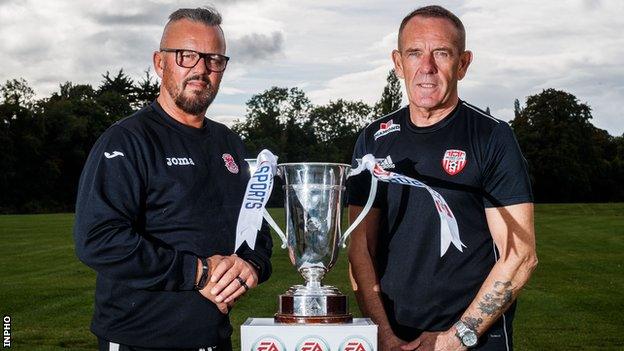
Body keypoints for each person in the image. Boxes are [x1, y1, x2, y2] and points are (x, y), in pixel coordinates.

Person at [73, 7, 272, 351]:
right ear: (160, 62)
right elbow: (98, 239)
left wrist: (249, 267)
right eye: (187, 56)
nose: (201, 69)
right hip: (141, 339)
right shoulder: (127, 140)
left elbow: (257, 228)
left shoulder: (228, 143)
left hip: (212, 338)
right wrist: (199, 272)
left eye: (214, 59)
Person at [347, 5, 537, 351]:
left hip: (473, 339)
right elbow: (361, 249)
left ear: (463, 64)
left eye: (442, 53)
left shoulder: (491, 137)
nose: (427, 67)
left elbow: (519, 254)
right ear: (398, 62)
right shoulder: (373, 139)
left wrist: (457, 337)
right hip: (394, 338)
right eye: (415, 53)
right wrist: (382, 334)